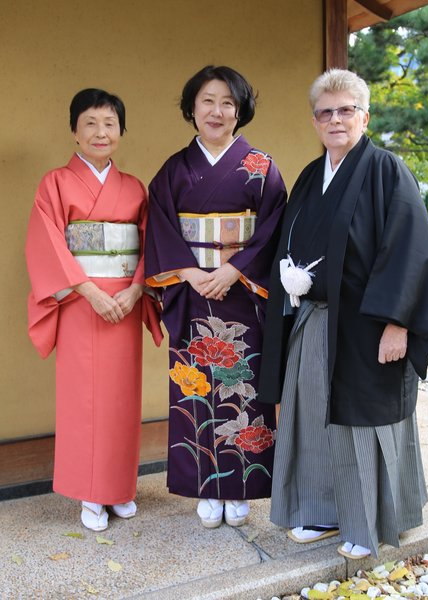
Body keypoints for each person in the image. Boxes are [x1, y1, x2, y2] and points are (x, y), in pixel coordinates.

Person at [258, 69, 428, 559]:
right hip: (314, 320)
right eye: (325, 112)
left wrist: (398, 323)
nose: (335, 120)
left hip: (368, 326)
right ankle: (321, 511)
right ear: (315, 121)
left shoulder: (386, 170)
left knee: (363, 423)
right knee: (313, 418)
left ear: (365, 116)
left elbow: (409, 249)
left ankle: (368, 521)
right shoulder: (309, 176)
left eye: (346, 110)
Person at [145, 65, 287, 528]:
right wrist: (189, 272)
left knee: (243, 389)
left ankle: (241, 486)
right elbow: (160, 226)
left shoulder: (261, 168)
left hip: (243, 295)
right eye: (207, 100)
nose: (217, 111)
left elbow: (273, 229)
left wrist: (233, 269)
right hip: (191, 293)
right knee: (195, 390)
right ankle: (204, 486)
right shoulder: (174, 170)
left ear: (240, 111)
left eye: (228, 102)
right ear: (192, 108)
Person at [25, 88, 162, 532]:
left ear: (121, 131)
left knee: (122, 397)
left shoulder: (134, 187)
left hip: (125, 302)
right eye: (90, 123)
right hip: (80, 303)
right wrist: (88, 291)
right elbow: (46, 243)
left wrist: (137, 289)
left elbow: (151, 243)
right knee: (83, 399)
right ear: (74, 130)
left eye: (110, 124)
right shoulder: (55, 182)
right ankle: (89, 491)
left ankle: (119, 487)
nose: (100, 132)